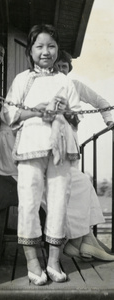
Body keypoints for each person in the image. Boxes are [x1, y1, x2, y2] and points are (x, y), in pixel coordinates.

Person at [0, 24, 82, 285]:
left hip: (61, 149)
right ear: (31, 50)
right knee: (30, 203)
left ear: (57, 50)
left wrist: (66, 110)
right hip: (30, 148)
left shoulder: (65, 81)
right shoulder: (22, 79)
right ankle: (33, 262)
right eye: (40, 46)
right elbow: (9, 114)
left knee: (58, 203)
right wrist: (37, 111)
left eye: (51, 46)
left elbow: (76, 117)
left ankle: (54, 261)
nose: (46, 52)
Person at [56, 49, 114, 260]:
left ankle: (78, 241)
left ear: (69, 70)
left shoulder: (76, 87)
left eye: (64, 66)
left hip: (71, 145)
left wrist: (109, 121)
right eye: (57, 65)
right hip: (52, 145)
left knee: (77, 187)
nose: (60, 69)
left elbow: (101, 101)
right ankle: (83, 240)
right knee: (74, 188)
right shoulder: (44, 87)